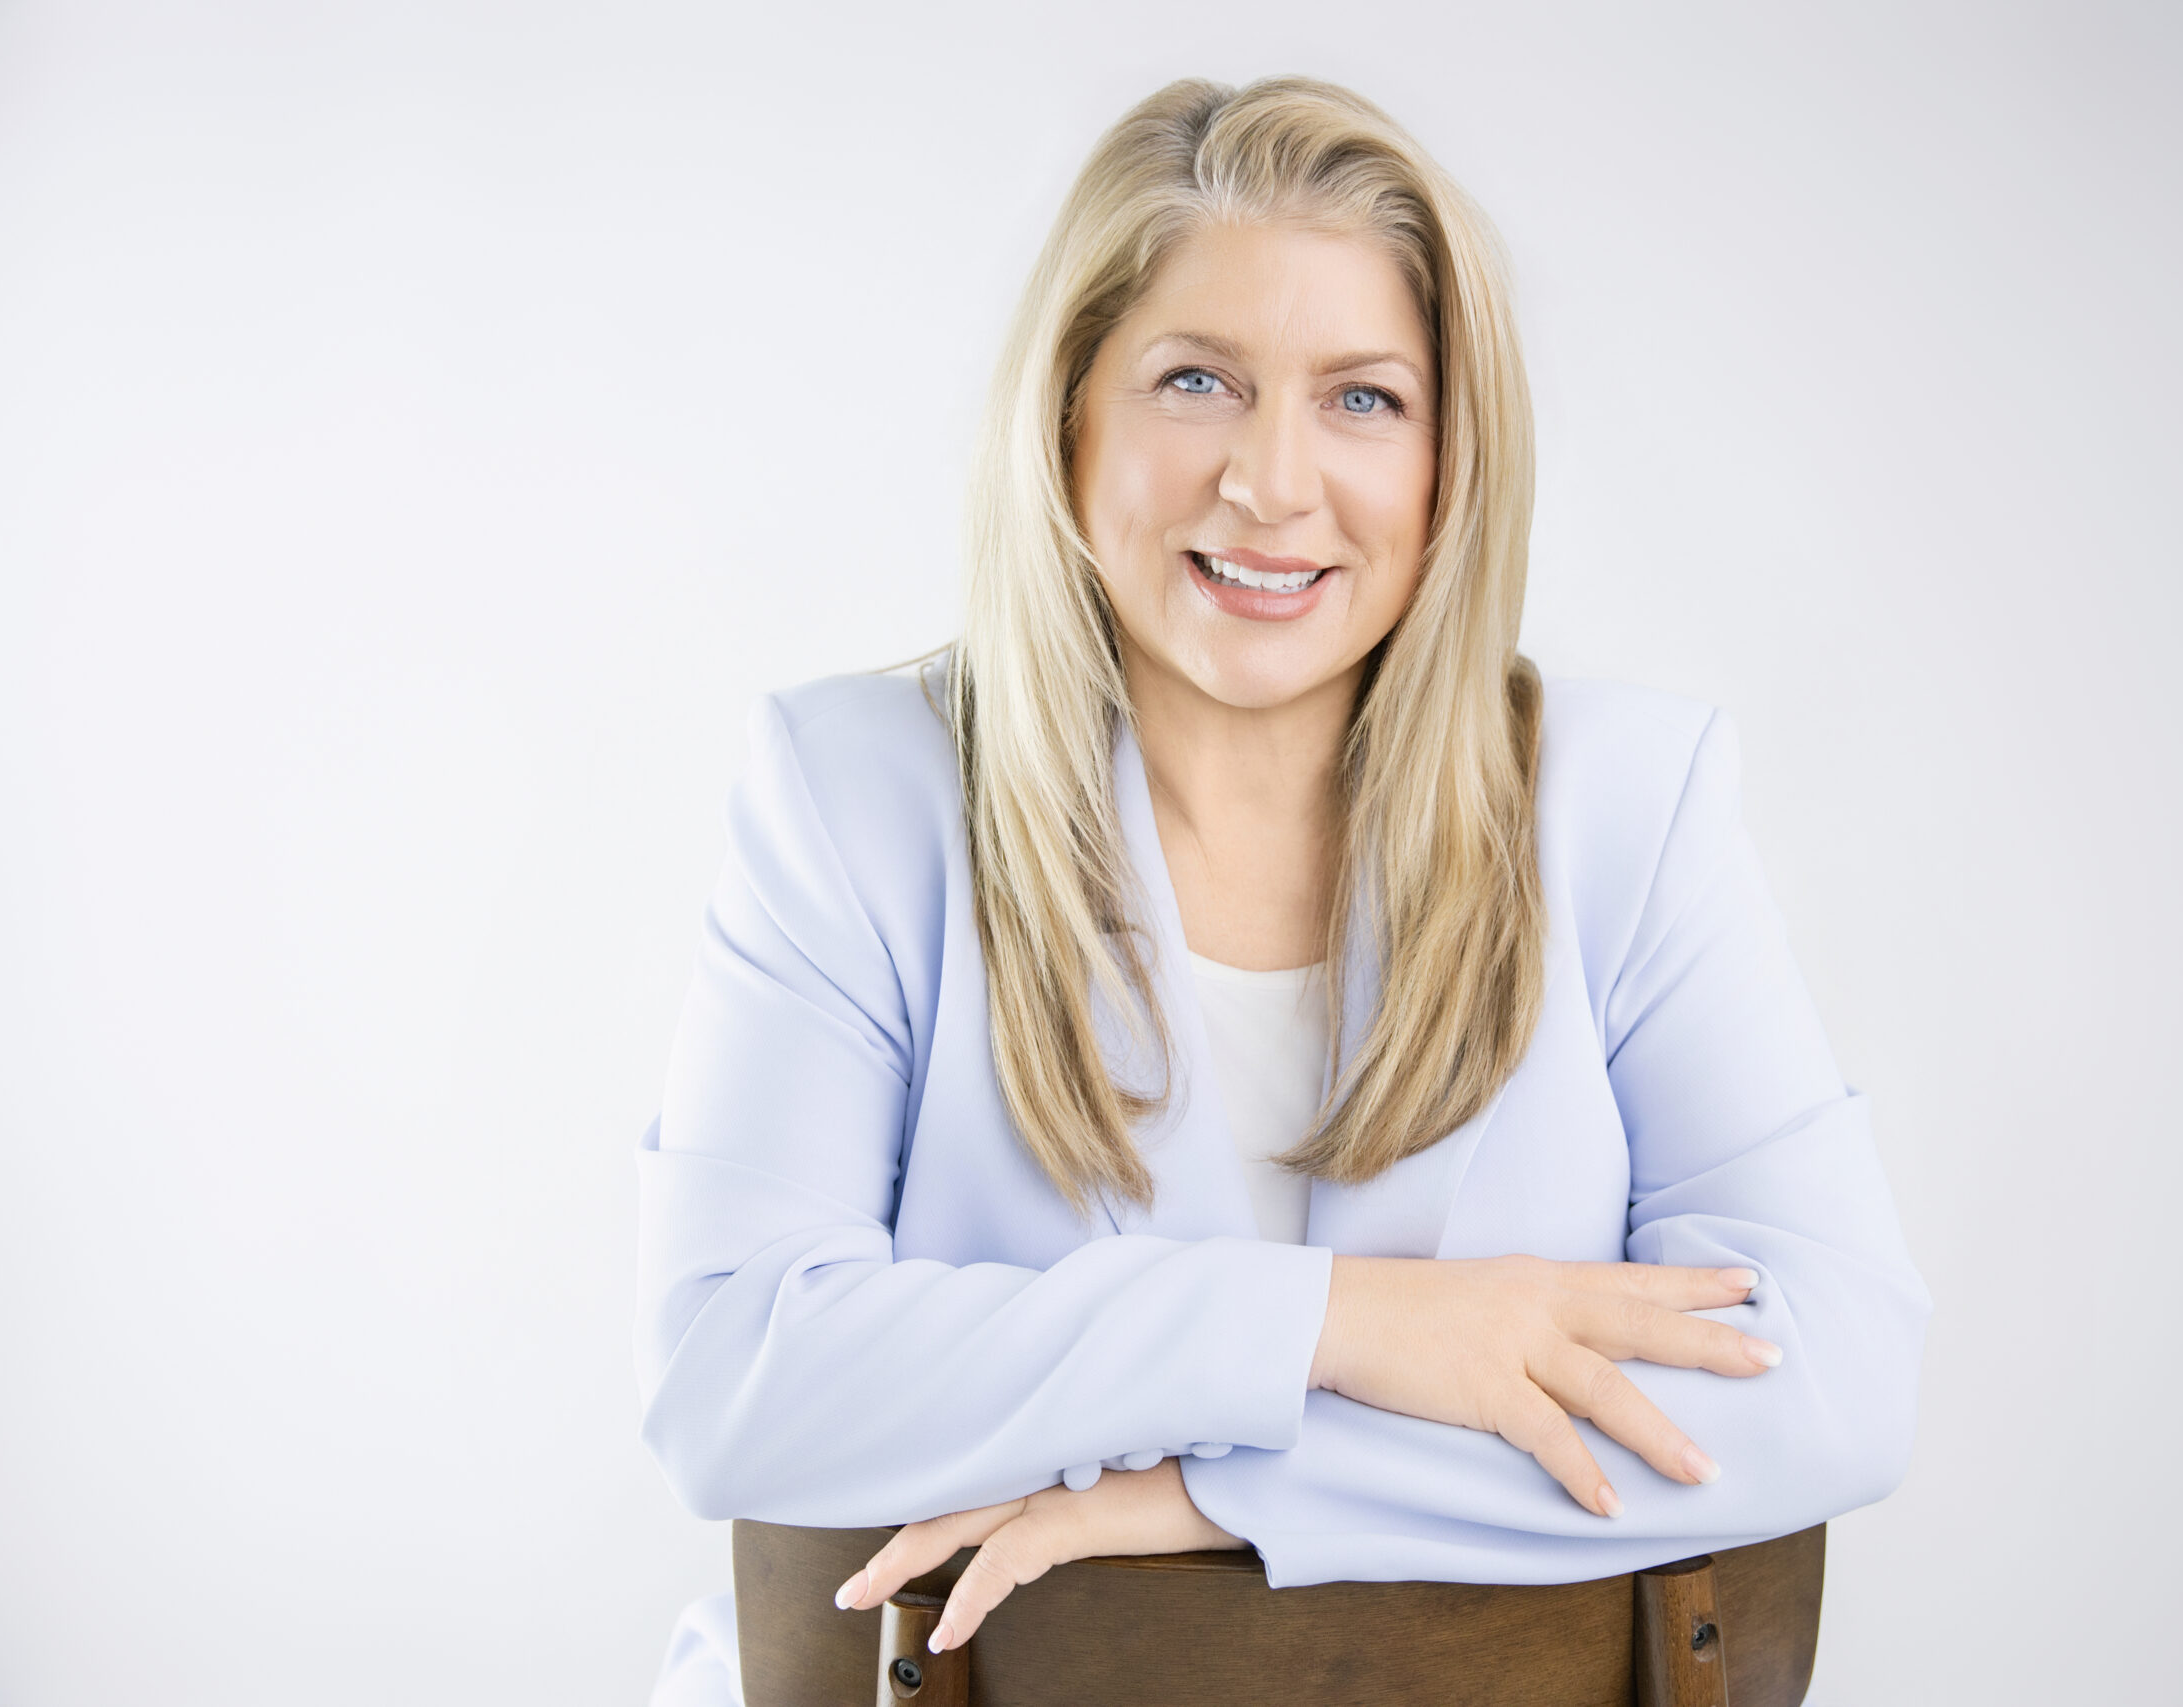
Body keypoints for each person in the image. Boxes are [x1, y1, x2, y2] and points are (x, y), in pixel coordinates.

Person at [635, 74, 1930, 1706]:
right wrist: (1339, 1326)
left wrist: (1210, 1496)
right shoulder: (853, 792)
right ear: (1069, 416)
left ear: (1452, 460)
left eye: (1363, 399)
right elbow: (734, 1376)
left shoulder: (1625, 806)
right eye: (1198, 381)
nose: (1271, 482)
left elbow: (1834, 1380)